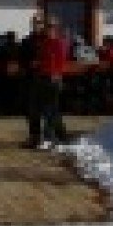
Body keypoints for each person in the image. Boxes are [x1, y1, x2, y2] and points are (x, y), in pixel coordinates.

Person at [35, 17, 71, 148]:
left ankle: (49, 137)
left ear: (56, 29)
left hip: (53, 78)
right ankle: (61, 135)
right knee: (50, 109)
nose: (49, 29)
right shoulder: (45, 43)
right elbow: (42, 59)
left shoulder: (59, 43)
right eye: (47, 27)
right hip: (43, 77)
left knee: (51, 108)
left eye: (51, 27)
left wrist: (56, 74)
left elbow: (61, 61)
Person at [18, 15, 44, 147]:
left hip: (45, 78)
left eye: (39, 23)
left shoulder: (47, 40)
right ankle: (34, 136)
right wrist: (28, 64)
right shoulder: (26, 41)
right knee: (30, 109)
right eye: (34, 23)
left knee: (46, 109)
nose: (37, 25)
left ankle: (48, 136)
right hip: (30, 78)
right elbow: (21, 59)